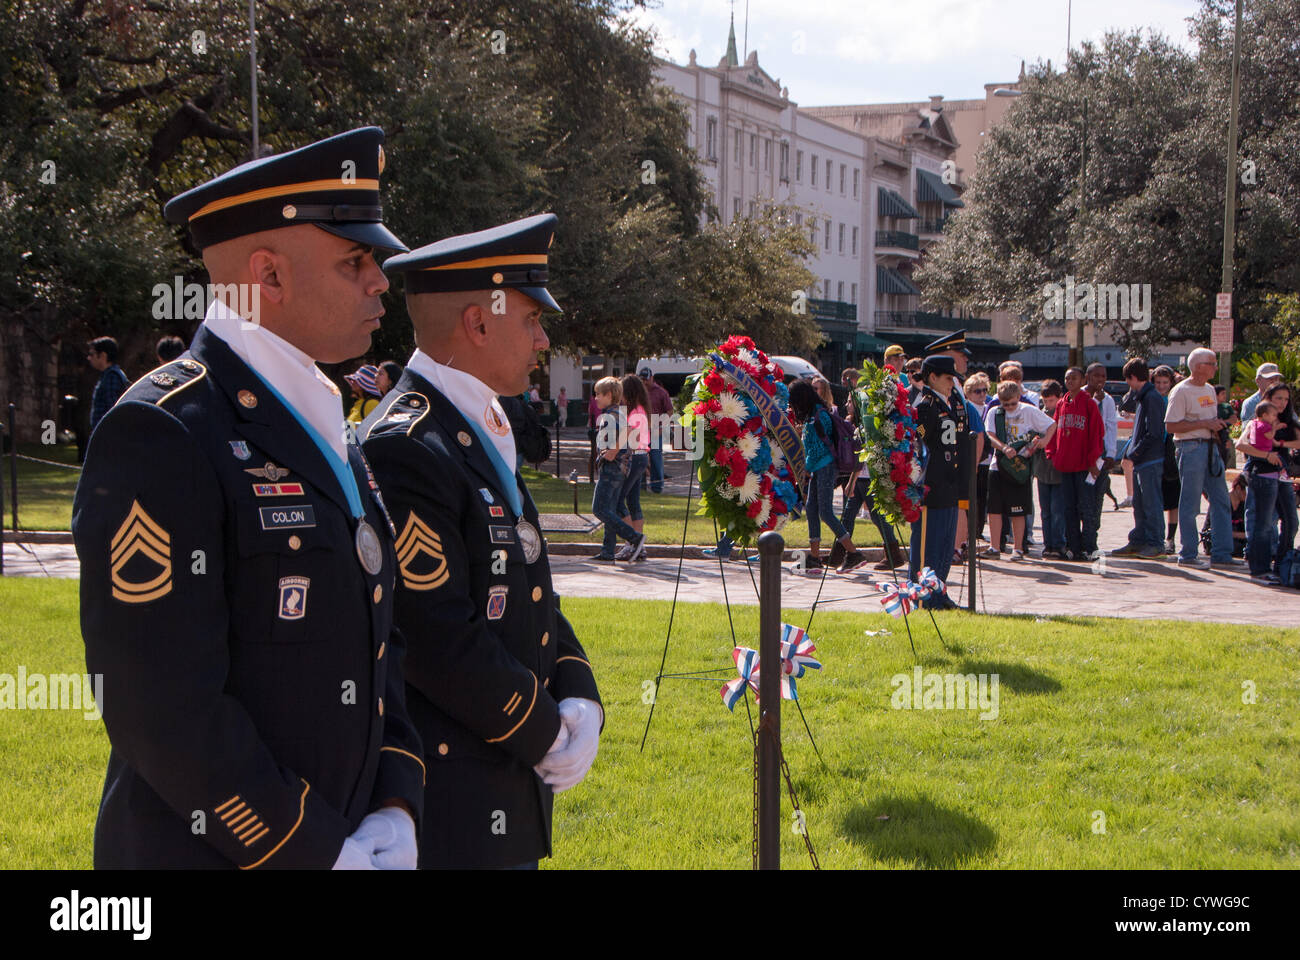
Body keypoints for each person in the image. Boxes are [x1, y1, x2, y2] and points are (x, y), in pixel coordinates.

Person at [72, 127, 425, 869]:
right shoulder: (164, 429)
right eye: (355, 261)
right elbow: (158, 708)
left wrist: (395, 803)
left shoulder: (323, 419)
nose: (380, 282)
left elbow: (377, 644)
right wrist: (313, 849)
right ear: (267, 276)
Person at [361, 213, 603, 869]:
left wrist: (578, 687)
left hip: (501, 779)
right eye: (531, 319)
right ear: (478, 322)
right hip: (454, 803)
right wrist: (545, 728)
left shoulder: (472, 422)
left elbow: (526, 585)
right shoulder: (407, 445)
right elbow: (434, 635)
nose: (543, 337)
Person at [1164, 348, 1240, 569]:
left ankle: (1222, 554)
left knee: (1221, 500)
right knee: (1190, 503)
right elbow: (1171, 425)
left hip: (1210, 446)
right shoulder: (1181, 391)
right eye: (1212, 363)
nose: (1216, 367)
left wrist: (1220, 425)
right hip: (1190, 447)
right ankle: (1188, 555)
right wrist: (1204, 424)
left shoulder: (1208, 389)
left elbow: (1209, 418)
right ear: (1198, 366)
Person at [908, 355, 967, 607]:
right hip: (931, 486)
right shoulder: (926, 406)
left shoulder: (951, 401)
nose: (952, 383)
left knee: (945, 545)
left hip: (950, 483)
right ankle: (923, 597)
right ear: (932, 377)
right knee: (928, 546)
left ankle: (939, 593)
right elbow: (916, 441)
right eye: (948, 378)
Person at [789, 379, 863, 572]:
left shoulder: (820, 416)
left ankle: (853, 553)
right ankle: (814, 557)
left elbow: (821, 447)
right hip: (817, 468)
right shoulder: (812, 415)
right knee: (812, 509)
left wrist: (805, 467)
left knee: (826, 512)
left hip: (826, 467)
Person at [981, 380, 1056, 561]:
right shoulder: (994, 412)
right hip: (998, 465)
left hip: (1019, 467)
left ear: (1018, 398)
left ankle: (1018, 548)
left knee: (1018, 509)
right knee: (995, 508)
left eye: (1013, 403)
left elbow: (1051, 425)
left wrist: (1043, 443)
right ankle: (995, 546)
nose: (1009, 407)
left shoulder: (1028, 411)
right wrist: (1004, 447)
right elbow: (989, 435)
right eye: (1005, 404)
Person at [1045, 366, 1103, 561]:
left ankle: (1090, 546)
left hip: (1083, 465)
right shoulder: (1061, 404)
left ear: (1082, 379)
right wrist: (1052, 453)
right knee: (1068, 508)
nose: (1070, 381)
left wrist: (1093, 459)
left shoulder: (1089, 404)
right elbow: (1053, 429)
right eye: (1067, 378)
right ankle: (1073, 546)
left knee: (1086, 508)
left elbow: (1097, 434)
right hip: (1065, 464)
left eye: (1074, 378)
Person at [587, 376, 646, 562]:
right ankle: (607, 551)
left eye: (598, 394)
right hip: (620, 469)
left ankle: (634, 538)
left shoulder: (609, 417)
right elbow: (629, 430)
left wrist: (610, 453)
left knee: (599, 509)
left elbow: (626, 434)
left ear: (609, 395)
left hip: (611, 469)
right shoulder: (619, 414)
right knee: (610, 509)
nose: (595, 398)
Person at [1111, 359, 1166, 558]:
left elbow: (1154, 432)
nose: (1129, 385)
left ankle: (1156, 543)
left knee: (1151, 504)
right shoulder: (1143, 396)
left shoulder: (1152, 398)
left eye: (1129, 381)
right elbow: (1127, 407)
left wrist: (1135, 453)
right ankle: (1139, 540)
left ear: (1133, 378)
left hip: (1150, 460)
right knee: (1141, 504)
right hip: (1142, 460)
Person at [1235, 401, 1284, 582]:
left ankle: (1259, 566)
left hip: (1265, 476)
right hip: (1264, 476)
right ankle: (1259, 568)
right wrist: (1268, 454)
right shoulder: (1261, 425)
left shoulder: (1255, 424)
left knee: (1262, 524)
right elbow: (1242, 445)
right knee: (1262, 524)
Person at [1262, 381, 1299, 575]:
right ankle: (1261, 562)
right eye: (1278, 398)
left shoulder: (1288, 419)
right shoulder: (1261, 418)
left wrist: (1281, 442)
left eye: (1286, 399)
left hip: (1283, 475)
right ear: (1268, 398)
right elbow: (1248, 442)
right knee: (1265, 522)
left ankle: (1282, 563)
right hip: (1263, 474)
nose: (1283, 403)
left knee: (1291, 521)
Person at [615, 373, 651, 559]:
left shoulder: (634, 413)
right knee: (633, 502)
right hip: (641, 456)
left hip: (634, 458)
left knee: (619, 501)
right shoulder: (640, 410)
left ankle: (632, 542)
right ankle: (639, 545)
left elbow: (629, 438)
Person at [954, 371, 990, 560]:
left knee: (963, 506)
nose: (982, 394)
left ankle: (960, 547)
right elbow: (923, 430)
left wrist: (973, 464)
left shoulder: (967, 408)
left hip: (967, 465)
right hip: (947, 466)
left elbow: (979, 437)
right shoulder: (936, 405)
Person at [1034, 380, 1067, 558]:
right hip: (1042, 469)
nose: (1048, 405)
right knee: (1045, 510)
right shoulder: (1040, 415)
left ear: (1059, 398)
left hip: (1059, 470)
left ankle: (1059, 543)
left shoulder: (1062, 416)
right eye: (1045, 401)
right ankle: (1048, 544)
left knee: (1057, 510)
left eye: (1051, 401)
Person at [1085, 363, 1118, 529]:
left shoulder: (1109, 401)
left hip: (1101, 455)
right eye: (1096, 376)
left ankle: (1093, 535)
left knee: (1098, 497)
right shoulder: (1080, 396)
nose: (1100, 380)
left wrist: (1111, 454)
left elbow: (1111, 427)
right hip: (1083, 456)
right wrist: (1093, 402)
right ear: (1088, 377)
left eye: (1103, 376)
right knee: (1084, 498)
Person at [1153, 365, 1180, 552]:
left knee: (1173, 500)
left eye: (1165, 382)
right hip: (1155, 453)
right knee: (1156, 498)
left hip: (1173, 452)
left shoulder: (1175, 399)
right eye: (1158, 382)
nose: (1162, 386)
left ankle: (1170, 538)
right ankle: (1156, 536)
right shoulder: (1150, 399)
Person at [87, 336, 129, 434]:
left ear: (103, 356)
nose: (89, 358)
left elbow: (112, 410)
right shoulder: (109, 375)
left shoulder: (111, 377)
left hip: (107, 434)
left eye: (92, 354)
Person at [641, 367, 673, 493]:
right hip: (641, 429)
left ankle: (657, 487)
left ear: (652, 378)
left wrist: (662, 428)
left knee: (655, 458)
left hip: (655, 430)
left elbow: (670, 412)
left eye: (646, 379)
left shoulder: (661, 392)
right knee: (640, 458)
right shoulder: (638, 392)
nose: (644, 382)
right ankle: (640, 486)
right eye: (642, 379)